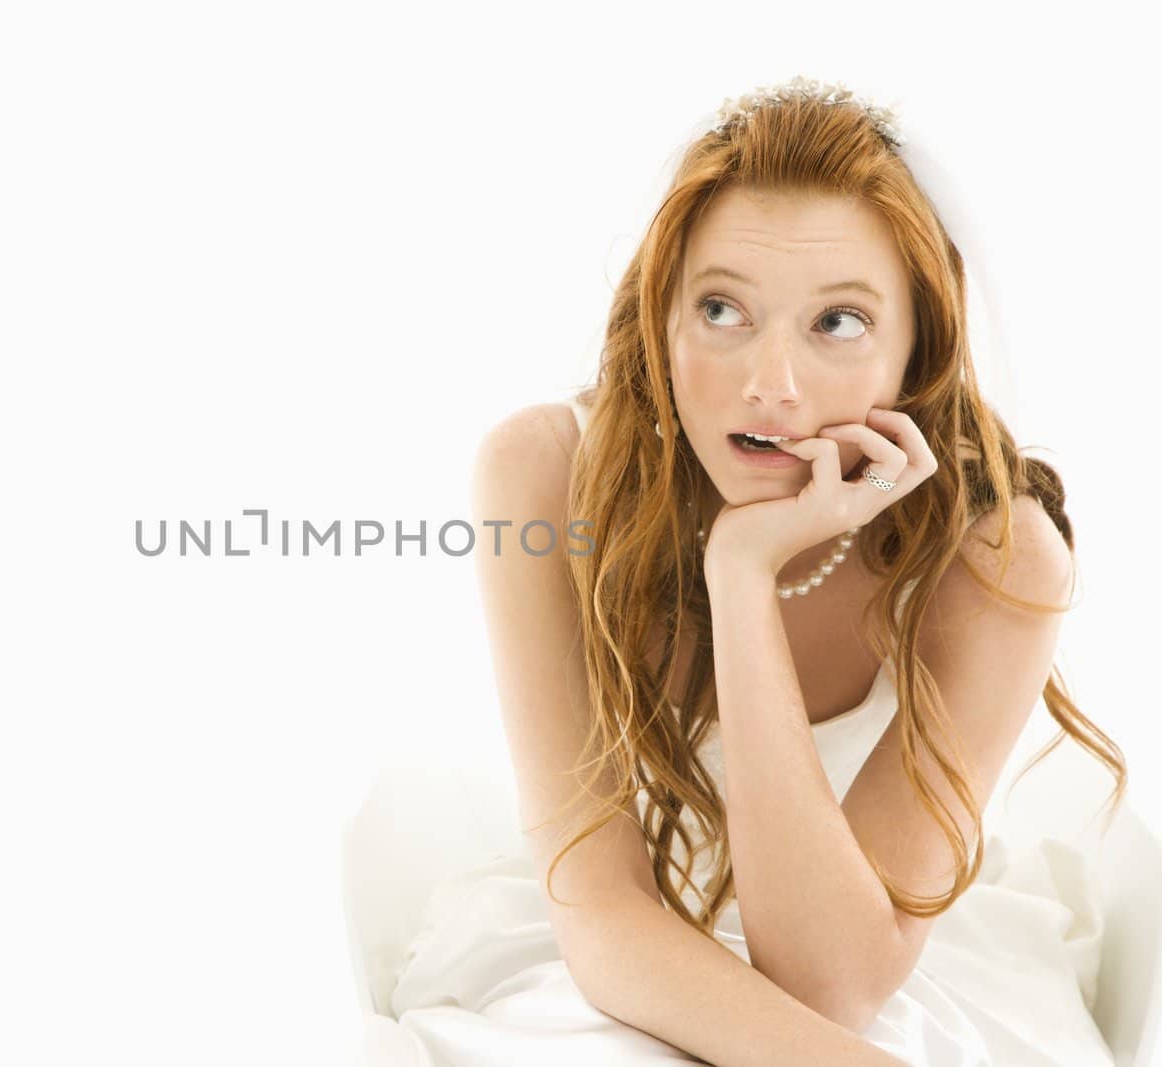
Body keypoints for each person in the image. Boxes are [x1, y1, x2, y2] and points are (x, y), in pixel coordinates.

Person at [370, 77, 1130, 1066]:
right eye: (722, 308)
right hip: (618, 953)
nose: (770, 385)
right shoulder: (547, 474)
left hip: (888, 966)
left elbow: (829, 980)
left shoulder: (994, 559)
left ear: (917, 347)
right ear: (661, 317)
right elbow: (602, 911)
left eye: (838, 322)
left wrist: (738, 577)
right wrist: (742, 561)